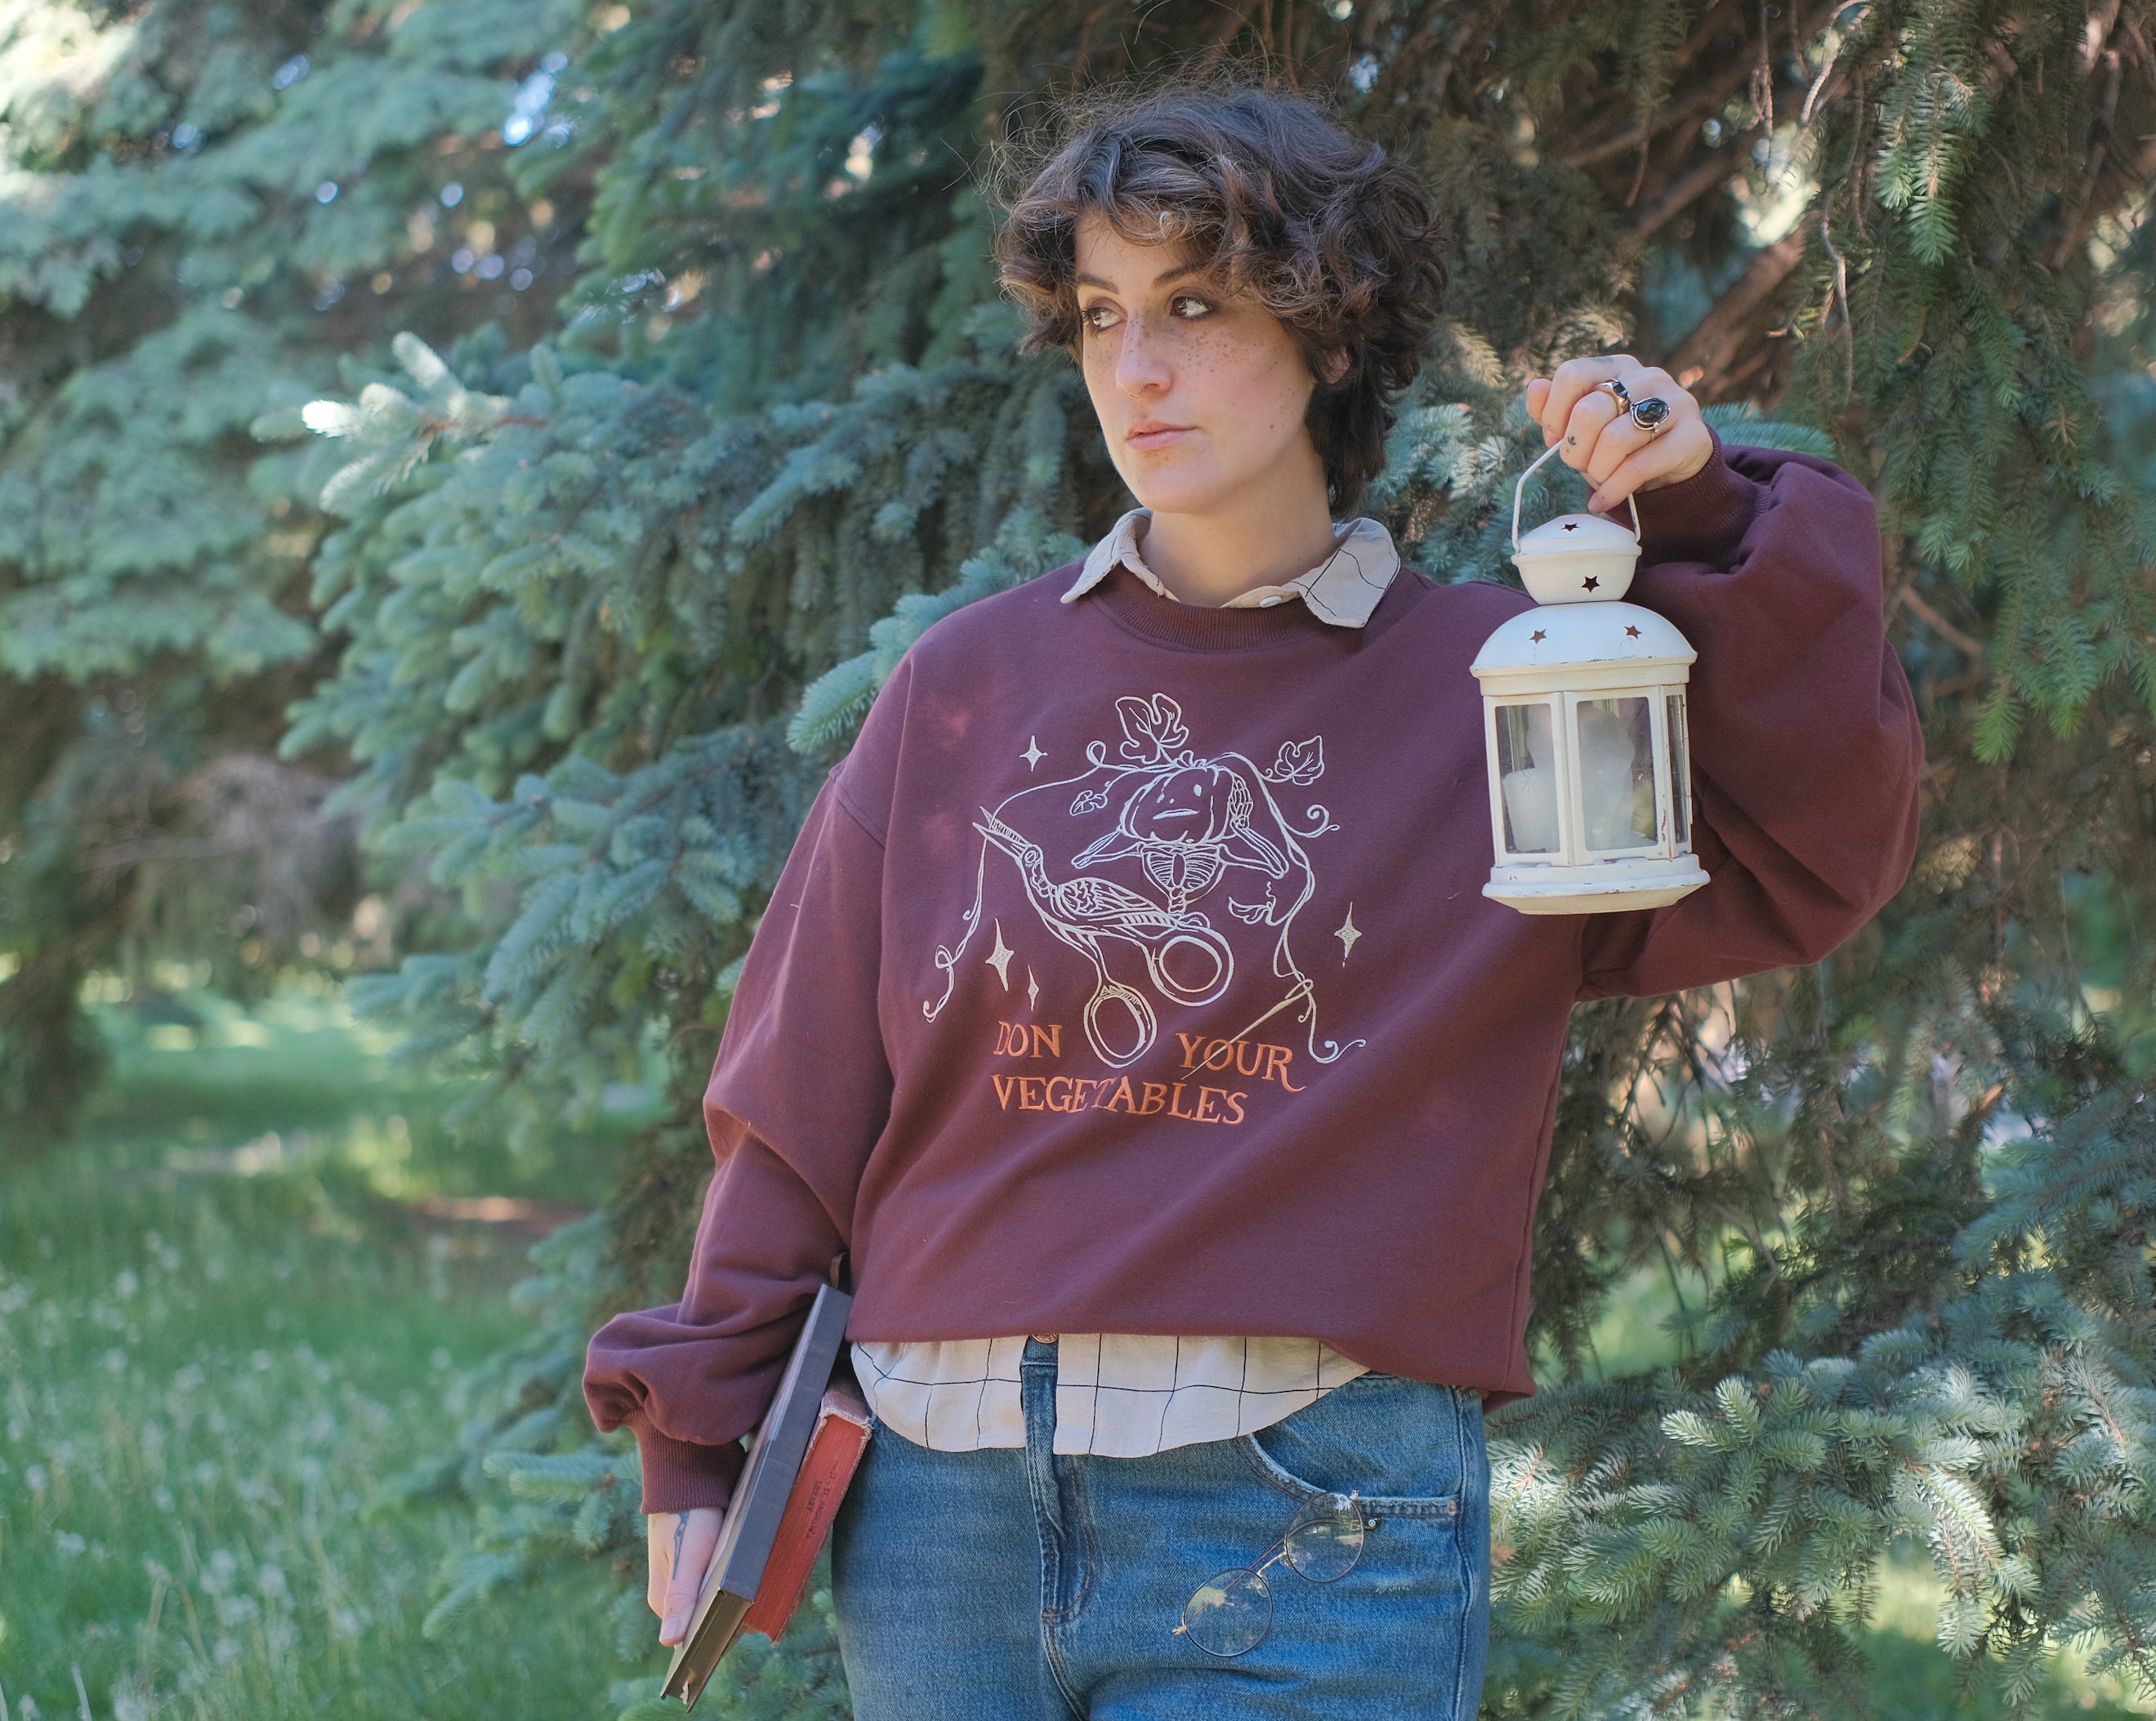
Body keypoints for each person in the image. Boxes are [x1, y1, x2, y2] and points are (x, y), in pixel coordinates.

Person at [583, 78, 1923, 1720]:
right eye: (1099, 317)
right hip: (935, 1517)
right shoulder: (963, 683)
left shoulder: (1507, 687)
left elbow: (1811, 848)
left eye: (1195, 306)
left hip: (1306, 1512)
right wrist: (699, 1427)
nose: (1135, 368)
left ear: (1328, 328)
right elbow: (798, 1099)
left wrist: (1703, 507)